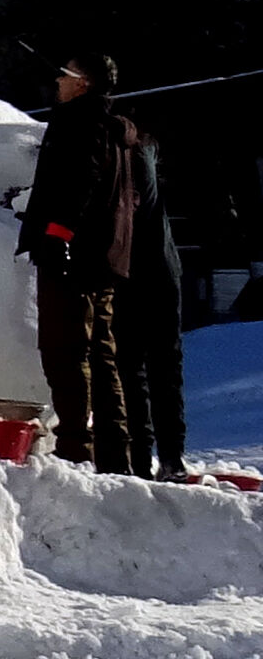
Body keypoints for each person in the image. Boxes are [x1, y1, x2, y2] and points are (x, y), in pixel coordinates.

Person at [17, 54, 137, 472]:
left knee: (65, 350)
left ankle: (74, 446)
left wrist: (57, 234)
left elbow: (79, 181)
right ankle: (113, 450)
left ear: (83, 83)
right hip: (104, 256)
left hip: (75, 256)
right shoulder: (114, 129)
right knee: (100, 353)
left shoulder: (80, 123)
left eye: (65, 75)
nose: (58, 80)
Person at [121, 118, 188, 478]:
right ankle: (171, 456)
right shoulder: (144, 153)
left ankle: (144, 455)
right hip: (165, 268)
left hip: (133, 271)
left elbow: (134, 208)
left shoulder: (126, 160)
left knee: (132, 368)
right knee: (165, 368)